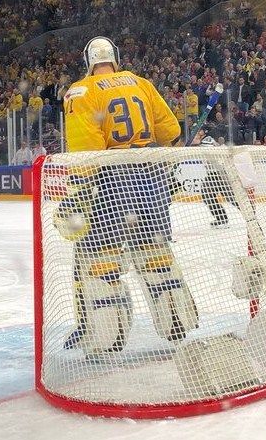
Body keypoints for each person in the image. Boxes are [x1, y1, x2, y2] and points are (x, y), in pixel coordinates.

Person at [58, 36, 197, 355]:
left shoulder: (81, 90)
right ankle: (175, 320)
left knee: (99, 258)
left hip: (112, 179)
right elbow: (169, 131)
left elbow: (86, 151)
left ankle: (108, 336)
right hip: (151, 176)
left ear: (88, 61)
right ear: (114, 57)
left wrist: (78, 192)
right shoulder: (140, 83)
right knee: (155, 251)